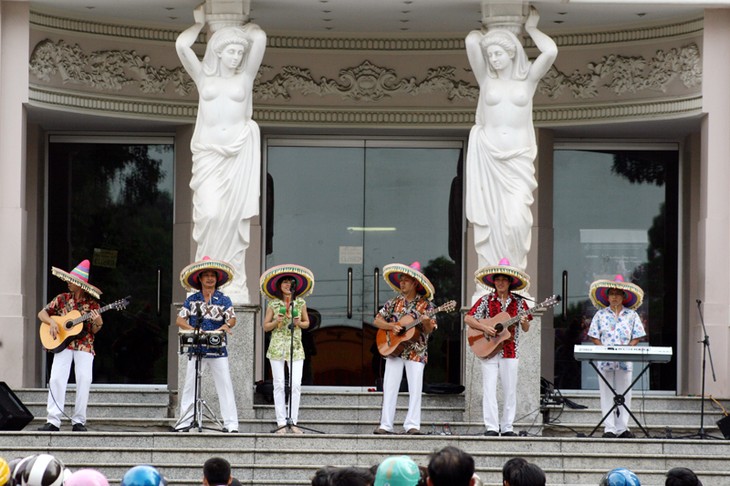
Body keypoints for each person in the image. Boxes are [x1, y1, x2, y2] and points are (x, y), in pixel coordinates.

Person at [176, 5, 267, 304]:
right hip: (209, 156)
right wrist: (200, 24)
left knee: (231, 219)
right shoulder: (204, 78)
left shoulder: (245, 79)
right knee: (211, 214)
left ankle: (233, 279)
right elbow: (182, 46)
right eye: (231, 52)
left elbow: (261, 40)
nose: (237, 57)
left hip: (237, 153)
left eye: (240, 53)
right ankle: (205, 273)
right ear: (218, 52)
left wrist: (249, 31)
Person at [464, 6, 558, 274]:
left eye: (498, 53)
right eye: (490, 54)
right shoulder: (486, 80)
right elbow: (471, 41)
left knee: (516, 221)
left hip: (517, 161)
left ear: (512, 52)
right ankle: (491, 278)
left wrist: (531, 29)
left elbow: (550, 52)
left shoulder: (527, 80)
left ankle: (515, 278)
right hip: (489, 158)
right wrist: (487, 33)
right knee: (492, 223)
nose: (493, 58)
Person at [464, 258, 531, 436]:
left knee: (510, 390)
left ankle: (507, 426)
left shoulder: (519, 303)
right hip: (489, 349)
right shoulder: (486, 300)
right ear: (493, 282)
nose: (500, 283)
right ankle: (492, 427)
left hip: (510, 350)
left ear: (510, 283)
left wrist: (523, 322)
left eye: (504, 280)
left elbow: (525, 328)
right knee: (489, 388)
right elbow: (468, 318)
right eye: (497, 280)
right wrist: (485, 327)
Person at [37, 259, 103, 432]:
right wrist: (51, 322)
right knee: (56, 378)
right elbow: (42, 313)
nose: (67, 282)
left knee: (84, 379)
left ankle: (79, 421)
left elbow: (94, 330)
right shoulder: (62, 298)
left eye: (70, 281)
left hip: (84, 344)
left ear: (79, 285)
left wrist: (98, 322)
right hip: (63, 343)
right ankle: (53, 421)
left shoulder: (92, 304)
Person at [175, 257, 238, 433]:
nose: (210, 278)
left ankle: (231, 424)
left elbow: (232, 318)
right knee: (190, 385)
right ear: (200, 279)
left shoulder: (224, 299)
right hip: (197, 348)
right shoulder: (192, 299)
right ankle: (185, 422)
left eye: (213, 275)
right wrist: (194, 329)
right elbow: (179, 319)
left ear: (217, 279)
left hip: (218, 348)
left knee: (224, 384)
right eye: (206, 275)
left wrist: (226, 325)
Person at [372, 261, 437, 435]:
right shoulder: (393, 303)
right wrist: (391, 327)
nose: (402, 283)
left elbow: (431, 328)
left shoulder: (426, 306)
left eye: (406, 280)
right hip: (393, 349)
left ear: (415, 283)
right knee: (390, 386)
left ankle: (412, 425)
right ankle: (386, 425)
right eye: (401, 280)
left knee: (415, 388)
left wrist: (425, 323)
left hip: (416, 350)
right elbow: (377, 320)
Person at [588, 274, 646, 438]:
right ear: (607, 296)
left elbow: (637, 335)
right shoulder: (600, 314)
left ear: (623, 297)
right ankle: (609, 428)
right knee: (606, 393)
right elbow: (594, 335)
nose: (614, 297)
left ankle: (622, 428)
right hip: (605, 360)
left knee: (625, 392)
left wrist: (629, 348)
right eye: (611, 293)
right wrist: (602, 349)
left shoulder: (632, 315)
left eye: (617, 293)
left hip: (625, 360)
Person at [260, 264, 314, 434]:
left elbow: (307, 323)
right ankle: (281, 422)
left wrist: (298, 322)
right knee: (278, 385)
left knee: (296, 384)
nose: (287, 285)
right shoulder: (274, 304)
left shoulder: (300, 302)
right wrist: (277, 321)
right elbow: (265, 327)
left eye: (290, 282)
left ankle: (294, 421)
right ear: (279, 285)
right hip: (277, 347)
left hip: (296, 347)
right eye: (284, 282)